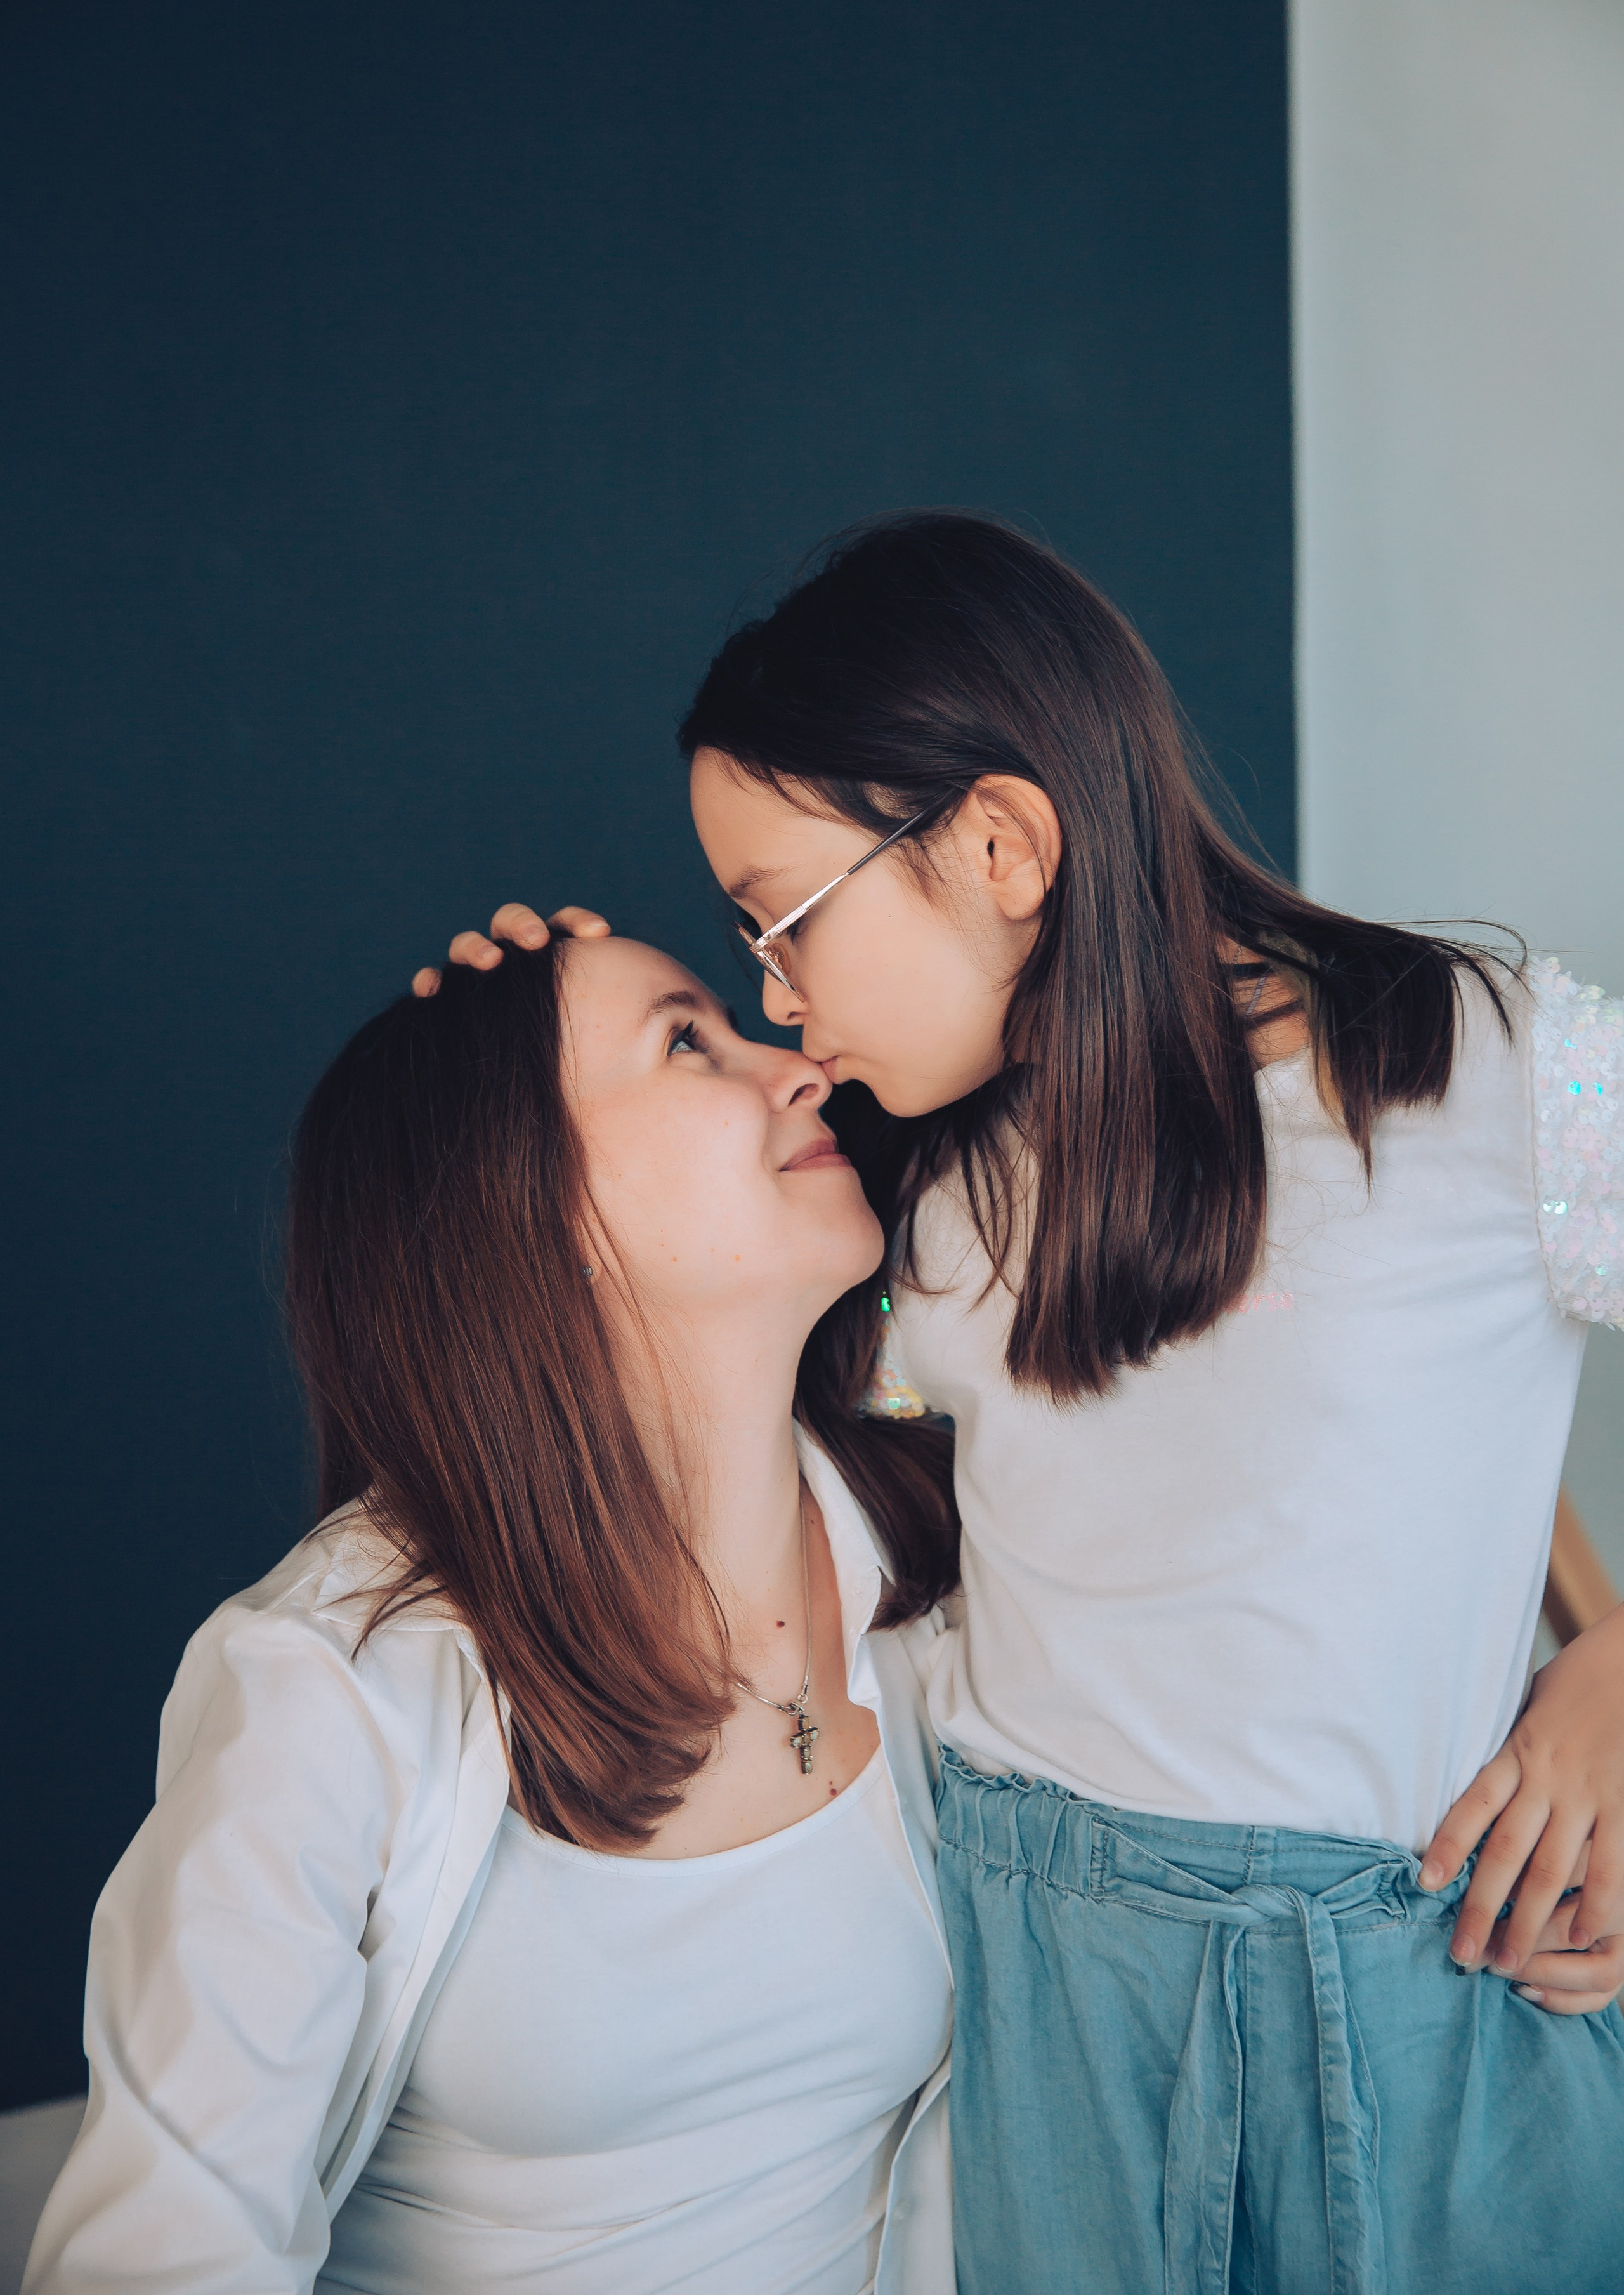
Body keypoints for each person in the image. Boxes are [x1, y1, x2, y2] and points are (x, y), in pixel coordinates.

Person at [441, 511, 1624, 2293]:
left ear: (998, 844)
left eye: (785, 923)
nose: (775, 996)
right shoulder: (921, 1193)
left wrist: (1612, 1667)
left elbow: (1420, 1426)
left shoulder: (1498, 1067)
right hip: (1053, 2003)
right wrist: (514, 1075)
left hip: (1417, 1995)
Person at [25, 932, 959, 2295]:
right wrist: (507, 1038)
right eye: (689, 1041)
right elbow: (162, 2257)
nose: (801, 1064)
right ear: (531, 1210)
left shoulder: (939, 1567)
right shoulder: (329, 1684)